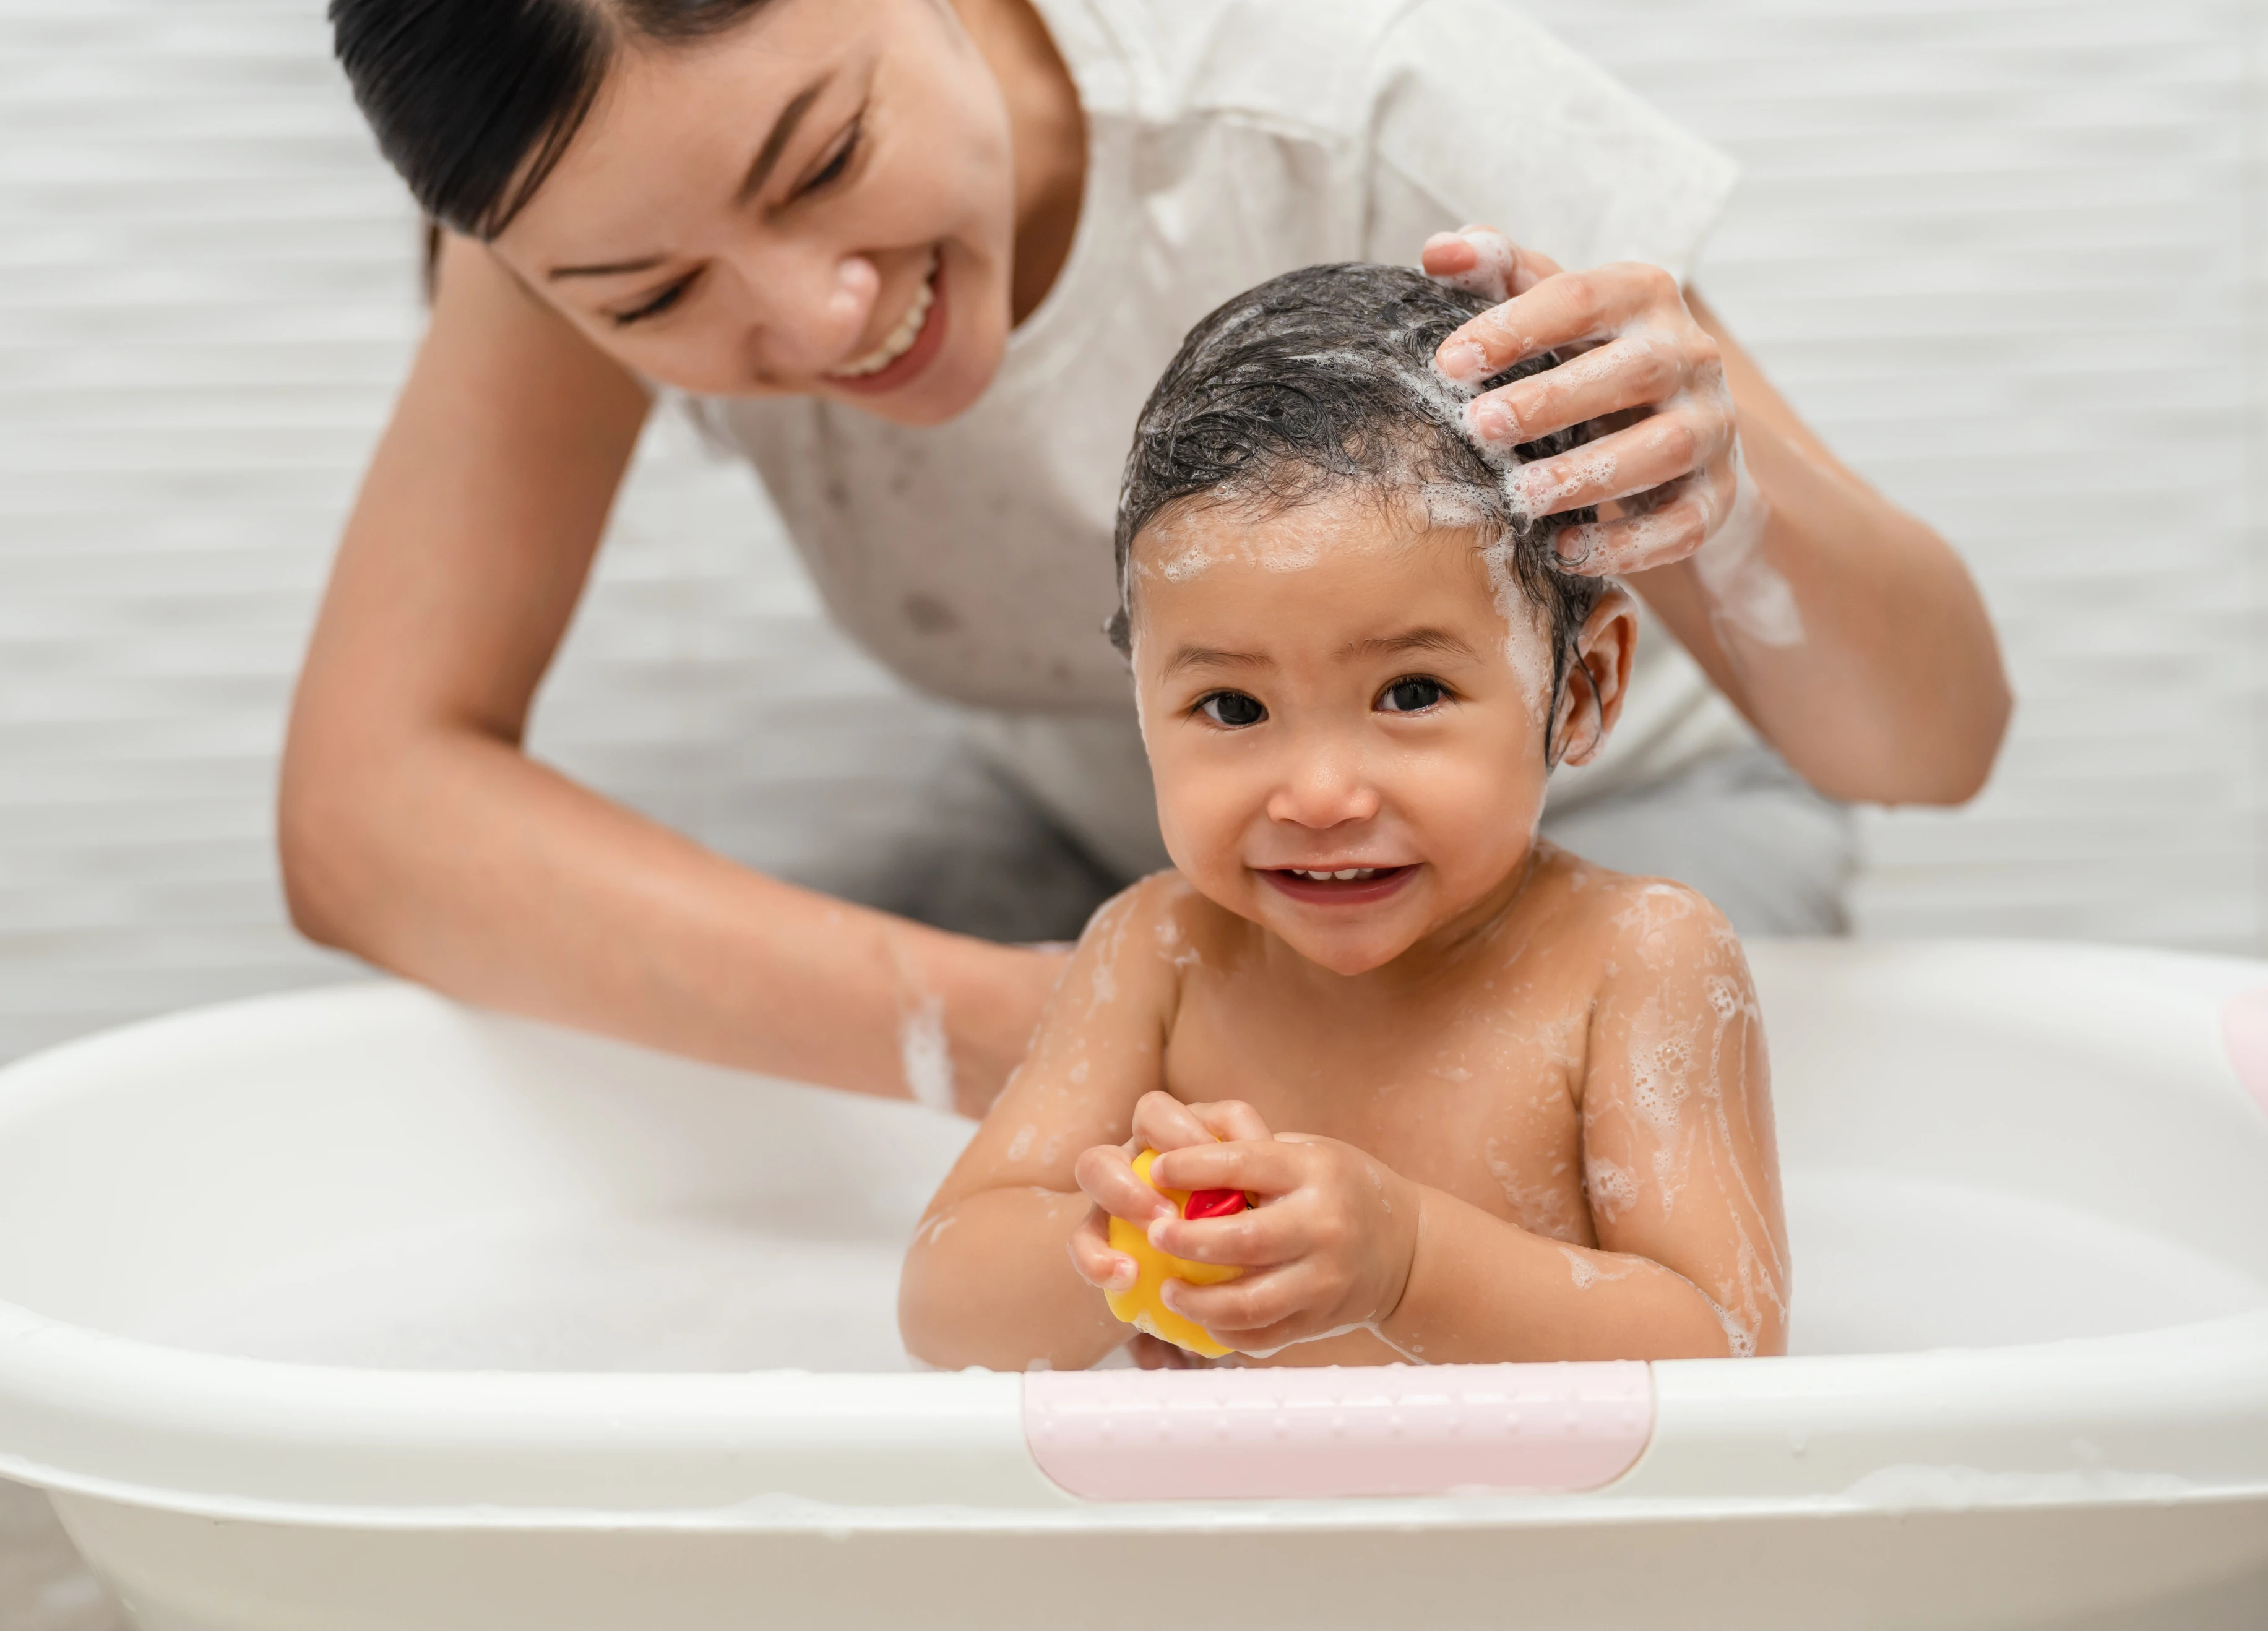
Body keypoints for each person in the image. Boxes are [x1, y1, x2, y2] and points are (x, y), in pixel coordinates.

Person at [287, 0, 2009, 1121]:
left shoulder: (1351, 103)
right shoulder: (567, 212)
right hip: (1116, 847)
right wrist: (1034, 1022)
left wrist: (1738, 498)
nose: (814, 313)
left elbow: (1934, 748)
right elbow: (368, 819)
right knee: (768, 1152)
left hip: (1605, 828)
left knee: (1477, 1166)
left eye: (824, 160)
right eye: (656, 300)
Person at [900, 264, 1787, 1369]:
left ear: (1584, 689)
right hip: (1238, 1534)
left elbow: (1723, 1352)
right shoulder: (1159, 954)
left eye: (1411, 695)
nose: (1319, 797)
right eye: (1232, 706)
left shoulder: (1634, 963)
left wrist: (1408, 1263)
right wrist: (1129, 1247)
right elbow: (942, 1300)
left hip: (1520, 1538)